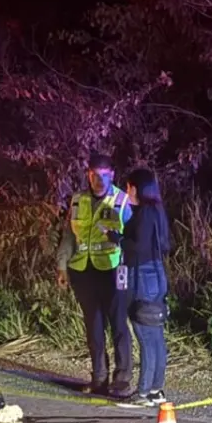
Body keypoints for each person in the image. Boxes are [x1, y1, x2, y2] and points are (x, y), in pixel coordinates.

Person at [55, 153, 134, 398]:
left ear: (112, 175)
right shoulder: (78, 199)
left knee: (118, 324)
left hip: (113, 269)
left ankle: (122, 379)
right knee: (94, 326)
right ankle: (99, 377)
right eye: (94, 175)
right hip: (83, 270)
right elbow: (69, 235)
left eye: (104, 175)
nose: (99, 181)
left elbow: (134, 238)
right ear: (88, 175)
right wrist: (62, 265)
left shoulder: (122, 200)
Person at [117, 168, 171, 407]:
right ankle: (156, 390)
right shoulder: (155, 211)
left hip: (143, 276)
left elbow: (137, 246)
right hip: (156, 274)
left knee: (146, 335)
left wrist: (117, 239)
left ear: (136, 188)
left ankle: (144, 392)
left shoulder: (145, 214)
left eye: (129, 187)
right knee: (155, 335)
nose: (127, 192)